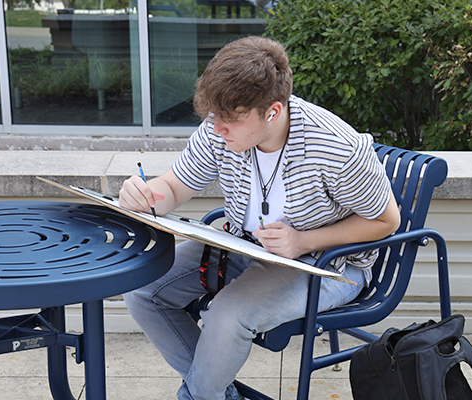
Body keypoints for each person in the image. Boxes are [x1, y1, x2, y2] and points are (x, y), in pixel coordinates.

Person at [119, 36, 400, 400]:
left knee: (226, 314)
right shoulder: (219, 128)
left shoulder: (335, 148)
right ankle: (211, 392)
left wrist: (303, 240)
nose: (217, 129)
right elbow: (175, 185)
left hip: (325, 265)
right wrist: (146, 195)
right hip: (245, 247)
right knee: (143, 287)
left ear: (273, 111)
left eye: (231, 120)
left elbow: (386, 221)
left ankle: (201, 394)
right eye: (213, 116)